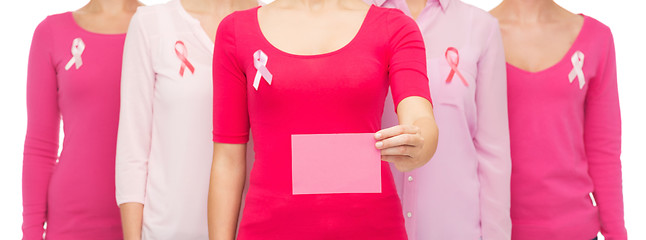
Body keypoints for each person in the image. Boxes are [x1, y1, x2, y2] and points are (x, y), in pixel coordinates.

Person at [208, 0, 439, 239]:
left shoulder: (395, 27)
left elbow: (420, 117)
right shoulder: (236, 30)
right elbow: (227, 160)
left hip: (372, 228)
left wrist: (419, 142)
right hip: (269, 229)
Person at [364, 0, 511, 239]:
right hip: (372, 226)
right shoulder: (354, 21)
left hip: (455, 228)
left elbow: (493, 152)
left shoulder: (480, 27)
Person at [115, 0, 258, 239]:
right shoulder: (151, 24)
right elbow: (133, 152)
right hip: (167, 231)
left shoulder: (275, 24)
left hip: (254, 228)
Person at [490, 1, 627, 239]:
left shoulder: (596, 38)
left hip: (576, 230)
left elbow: (603, 151)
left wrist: (617, 234)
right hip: (495, 230)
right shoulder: (475, 34)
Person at [22, 0, 141, 239]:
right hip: (71, 223)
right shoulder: (52, 32)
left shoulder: (160, 26)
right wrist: (32, 233)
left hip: (147, 219)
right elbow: (40, 146)